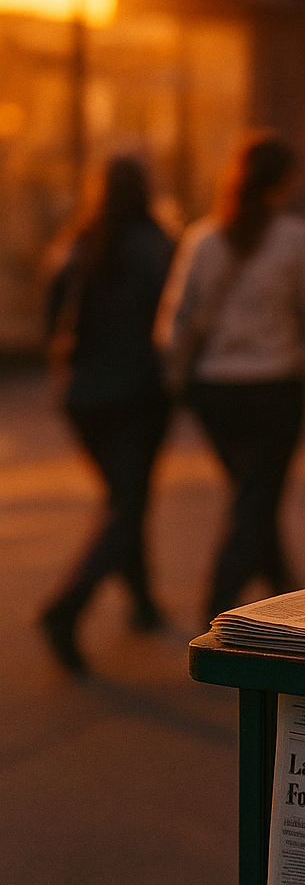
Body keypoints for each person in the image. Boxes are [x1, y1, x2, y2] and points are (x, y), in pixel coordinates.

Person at [156, 133, 305, 623]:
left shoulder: (203, 239)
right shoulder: (301, 240)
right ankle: (216, 603)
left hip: (213, 392)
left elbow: (173, 321)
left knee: (253, 490)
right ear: (286, 181)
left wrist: (178, 372)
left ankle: (282, 587)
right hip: (275, 387)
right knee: (257, 494)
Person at [39, 157, 175, 673]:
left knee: (124, 494)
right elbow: (172, 317)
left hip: (80, 396)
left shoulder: (75, 241)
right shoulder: (155, 243)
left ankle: (142, 602)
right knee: (129, 500)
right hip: (137, 395)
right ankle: (66, 607)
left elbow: (51, 317)